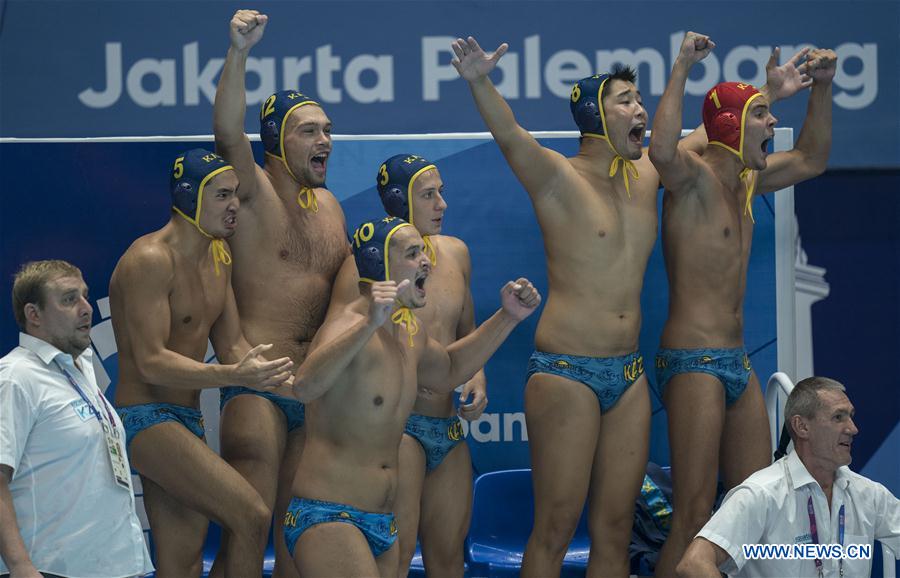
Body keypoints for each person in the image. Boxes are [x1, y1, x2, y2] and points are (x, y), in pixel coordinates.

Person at [451, 34, 711, 577]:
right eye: (626, 100)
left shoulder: (645, 174)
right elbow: (509, 134)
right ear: (595, 115)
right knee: (555, 527)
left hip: (630, 374)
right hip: (567, 373)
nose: (639, 108)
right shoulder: (556, 177)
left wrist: (694, 70)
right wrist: (479, 79)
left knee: (615, 529)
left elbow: (708, 131)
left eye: (641, 99)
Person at [648, 31, 836, 576]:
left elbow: (812, 159)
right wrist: (683, 64)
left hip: (735, 362)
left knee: (751, 517)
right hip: (691, 360)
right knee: (693, 517)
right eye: (761, 115)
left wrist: (821, 88)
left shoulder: (749, 183)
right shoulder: (692, 181)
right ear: (729, 127)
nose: (773, 124)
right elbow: (661, 151)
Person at [284, 216, 540, 577]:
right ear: (380, 266)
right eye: (413, 253)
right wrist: (368, 324)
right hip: (329, 515)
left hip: (382, 523)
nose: (427, 262)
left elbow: (450, 369)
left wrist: (508, 317)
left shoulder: (409, 332)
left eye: (424, 251)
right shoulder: (347, 323)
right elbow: (305, 386)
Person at [110, 149, 295, 577]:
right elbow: (150, 362)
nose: (234, 206)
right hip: (145, 418)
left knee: (183, 561)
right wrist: (233, 376)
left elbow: (232, 346)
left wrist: (292, 385)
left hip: (187, 419)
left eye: (237, 195)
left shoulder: (220, 256)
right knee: (250, 513)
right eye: (223, 195)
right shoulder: (150, 259)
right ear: (190, 197)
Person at [213, 11, 350, 574]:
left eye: (327, 130)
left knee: (300, 540)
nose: (325, 141)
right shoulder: (251, 191)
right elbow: (226, 131)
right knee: (248, 533)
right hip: (259, 383)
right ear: (274, 140)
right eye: (309, 131)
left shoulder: (334, 209)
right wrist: (239, 52)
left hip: (311, 390)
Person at [328, 154, 488, 577]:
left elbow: (465, 332)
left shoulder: (456, 254)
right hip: (402, 429)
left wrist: (477, 375)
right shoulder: (363, 267)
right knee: (396, 560)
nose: (442, 205)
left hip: (448, 427)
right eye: (429, 195)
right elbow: (339, 341)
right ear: (400, 202)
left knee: (450, 558)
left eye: (442, 193)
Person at [0, 260, 153, 578]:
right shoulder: (15, 377)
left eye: (85, 296)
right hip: (49, 570)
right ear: (34, 315)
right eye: (69, 299)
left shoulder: (80, 370)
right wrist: (19, 566)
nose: (86, 308)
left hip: (113, 567)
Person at [677, 376, 900, 577]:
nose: (853, 428)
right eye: (838, 417)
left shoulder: (868, 495)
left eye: (850, 416)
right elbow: (694, 564)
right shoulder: (761, 494)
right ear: (801, 427)